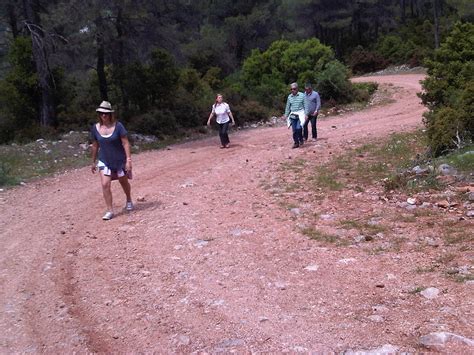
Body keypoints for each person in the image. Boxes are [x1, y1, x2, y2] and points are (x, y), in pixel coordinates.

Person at [90, 101, 133, 220]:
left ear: (110, 114)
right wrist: (93, 161)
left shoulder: (118, 126)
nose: (104, 115)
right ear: (99, 114)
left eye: (106, 113)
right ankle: (110, 210)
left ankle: (129, 199)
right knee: (105, 184)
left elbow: (125, 142)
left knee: (123, 181)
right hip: (104, 160)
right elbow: (95, 145)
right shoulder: (95, 128)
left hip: (119, 160)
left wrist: (128, 160)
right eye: (102, 113)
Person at [283, 82, 307, 148]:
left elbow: (306, 105)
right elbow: (288, 107)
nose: (292, 90)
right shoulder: (289, 97)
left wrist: (306, 114)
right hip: (293, 115)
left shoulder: (302, 95)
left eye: (294, 89)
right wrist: (285, 115)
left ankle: (301, 139)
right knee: (294, 130)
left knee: (299, 128)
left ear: (297, 89)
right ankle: (296, 143)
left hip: (300, 114)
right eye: (291, 89)